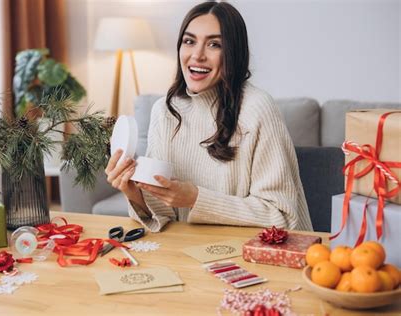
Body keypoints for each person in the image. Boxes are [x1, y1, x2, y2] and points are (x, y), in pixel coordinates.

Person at [105, 2, 313, 232]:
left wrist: (195, 199)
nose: (197, 55)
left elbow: (281, 216)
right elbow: (163, 216)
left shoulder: (257, 108)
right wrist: (133, 193)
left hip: (256, 254)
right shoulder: (165, 110)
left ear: (233, 53)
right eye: (189, 41)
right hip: (193, 251)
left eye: (214, 44)